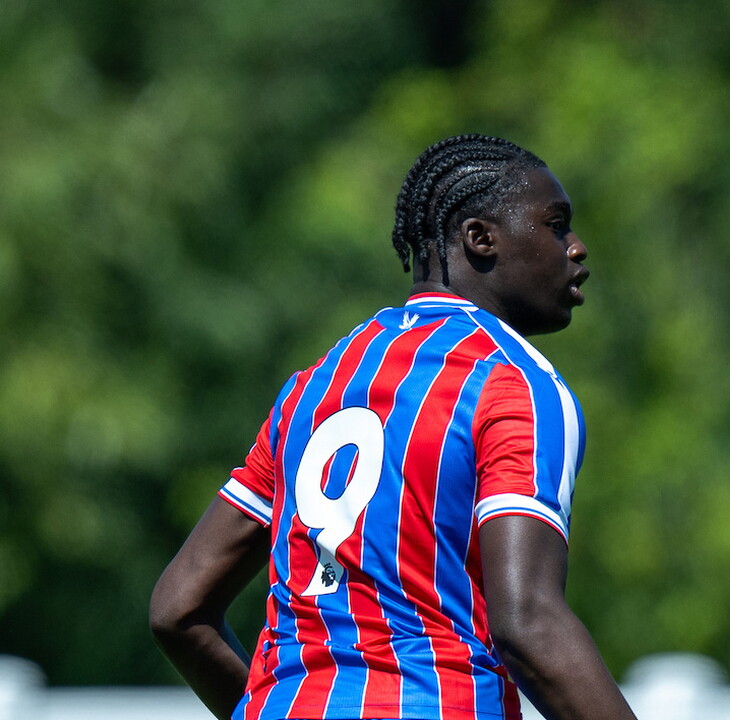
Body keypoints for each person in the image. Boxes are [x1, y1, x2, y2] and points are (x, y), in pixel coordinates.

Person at [150, 134, 637, 720]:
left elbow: (179, 609)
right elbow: (527, 623)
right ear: (480, 239)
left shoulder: (314, 387)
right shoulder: (510, 383)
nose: (576, 248)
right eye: (556, 225)